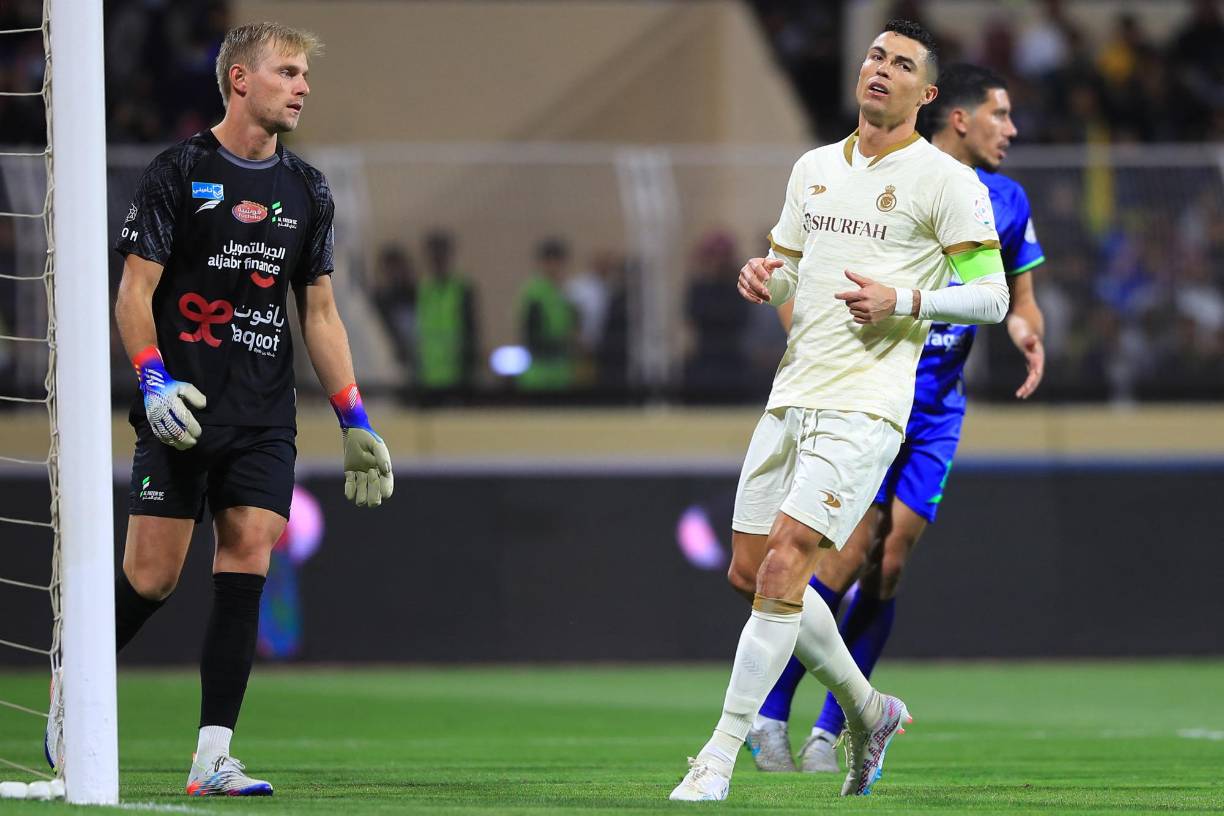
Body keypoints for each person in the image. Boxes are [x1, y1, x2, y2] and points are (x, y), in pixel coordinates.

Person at [45, 22, 394, 797]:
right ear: (240, 80)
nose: (303, 86)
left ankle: (212, 758)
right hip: (183, 408)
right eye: (289, 72)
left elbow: (322, 314)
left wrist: (356, 419)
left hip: (265, 416)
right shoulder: (180, 172)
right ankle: (72, 685)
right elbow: (133, 294)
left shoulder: (310, 190)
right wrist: (153, 379)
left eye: (306, 73)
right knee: (153, 576)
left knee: (249, 555)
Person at [669, 20, 1010, 802]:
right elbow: (791, 269)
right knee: (752, 573)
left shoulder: (947, 183)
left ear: (927, 95)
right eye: (875, 56)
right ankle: (869, 708)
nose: (880, 70)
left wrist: (908, 298)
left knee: (790, 559)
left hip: (866, 405)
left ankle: (717, 756)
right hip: (792, 393)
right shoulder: (814, 169)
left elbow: (990, 295)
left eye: (901, 66)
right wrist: (767, 278)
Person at [748, 63, 1047, 774]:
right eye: (999, 115)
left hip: (937, 405)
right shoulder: (888, 178)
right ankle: (768, 716)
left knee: (889, 561)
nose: (1010, 128)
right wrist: (806, 334)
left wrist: (1028, 330)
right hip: (872, 390)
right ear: (960, 119)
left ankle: (834, 731)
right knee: (844, 557)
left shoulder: (1006, 199)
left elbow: (1018, 294)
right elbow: (810, 268)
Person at [416, 229, 478, 396]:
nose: (437, 260)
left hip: (457, 377)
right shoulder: (422, 290)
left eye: (441, 255)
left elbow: (471, 334)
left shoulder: (462, 289)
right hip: (427, 377)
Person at [516, 238, 578, 392]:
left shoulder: (563, 293)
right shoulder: (535, 293)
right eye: (550, 261)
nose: (555, 267)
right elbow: (530, 334)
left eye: (558, 262)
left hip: (560, 369)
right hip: (539, 370)